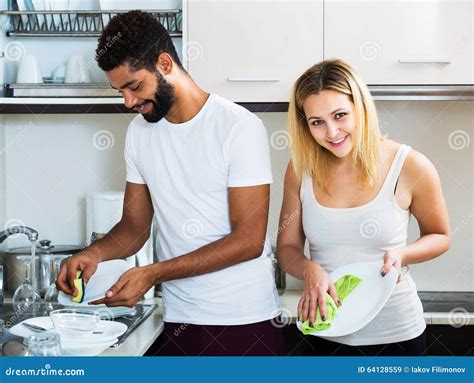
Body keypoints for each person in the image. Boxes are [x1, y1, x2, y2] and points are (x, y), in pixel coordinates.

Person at [56, 10, 283, 356]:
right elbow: (134, 227)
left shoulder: (237, 127)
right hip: (179, 321)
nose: (128, 102)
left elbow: (249, 240)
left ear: (164, 64)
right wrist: (92, 254)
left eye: (133, 86)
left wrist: (154, 273)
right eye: (120, 91)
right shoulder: (139, 134)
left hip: (244, 321)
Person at [277, 59, 451, 356]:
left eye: (340, 115)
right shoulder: (301, 169)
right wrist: (309, 269)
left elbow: (441, 236)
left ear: (360, 107)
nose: (332, 132)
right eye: (317, 122)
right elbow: (287, 247)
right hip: (325, 330)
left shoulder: (408, 165)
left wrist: (402, 253)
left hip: (397, 333)